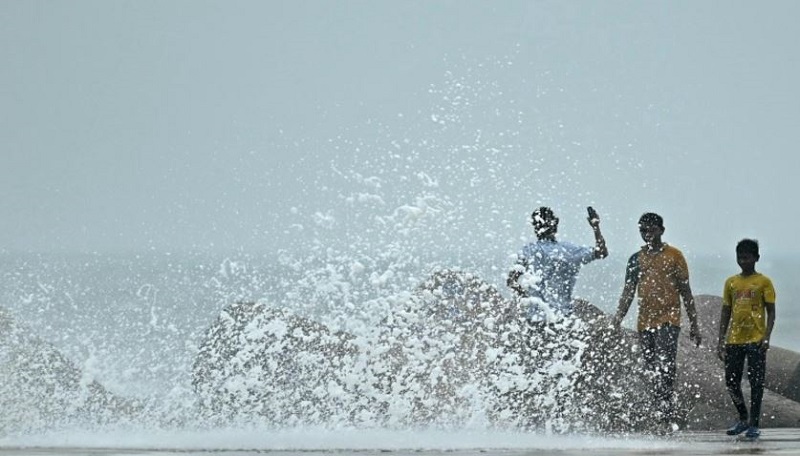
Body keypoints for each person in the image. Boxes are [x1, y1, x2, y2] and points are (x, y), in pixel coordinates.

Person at [612, 212, 702, 427]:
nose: (647, 234)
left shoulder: (674, 256)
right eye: (643, 230)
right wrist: (617, 318)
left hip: (669, 319)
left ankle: (666, 411)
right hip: (645, 322)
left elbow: (685, 291)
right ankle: (659, 409)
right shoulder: (635, 259)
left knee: (666, 365)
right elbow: (628, 292)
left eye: (651, 229)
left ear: (662, 230)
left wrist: (694, 324)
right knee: (651, 367)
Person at [717, 239, 775, 440]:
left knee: (756, 383)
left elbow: (771, 311)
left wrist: (767, 337)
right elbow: (726, 311)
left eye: (747, 257)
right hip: (734, 340)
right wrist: (720, 340)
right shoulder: (731, 282)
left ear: (756, 258)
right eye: (740, 257)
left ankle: (754, 424)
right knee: (731, 382)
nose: (743, 261)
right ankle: (743, 417)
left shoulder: (763, 282)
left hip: (756, 340)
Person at [507, 206, 608, 319]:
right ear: (554, 224)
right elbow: (602, 252)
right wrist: (596, 227)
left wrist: (525, 298)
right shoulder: (568, 251)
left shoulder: (528, 251)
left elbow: (511, 281)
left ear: (536, 228)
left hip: (533, 319)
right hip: (561, 318)